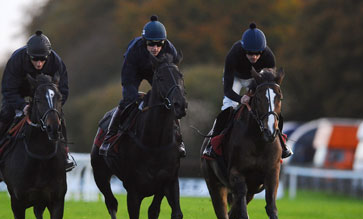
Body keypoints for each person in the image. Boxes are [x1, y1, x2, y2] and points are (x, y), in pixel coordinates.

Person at [0, 30, 75, 172]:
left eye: (43, 59)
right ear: (28, 55)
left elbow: (63, 90)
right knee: (6, 113)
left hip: (44, 93)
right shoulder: (16, 60)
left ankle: (66, 154)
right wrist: (22, 105)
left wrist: (54, 107)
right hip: (19, 90)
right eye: (35, 59)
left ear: (48, 56)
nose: (39, 63)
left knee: (58, 116)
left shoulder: (56, 62)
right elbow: (8, 90)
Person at [99, 15, 186, 157]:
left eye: (159, 44)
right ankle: (110, 136)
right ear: (144, 42)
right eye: (151, 44)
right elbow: (127, 81)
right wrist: (135, 98)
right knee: (127, 101)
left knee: (171, 101)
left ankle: (179, 139)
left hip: (158, 73)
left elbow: (174, 78)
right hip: (135, 72)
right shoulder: (134, 50)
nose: (155, 48)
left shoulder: (170, 50)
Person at [203, 23, 292, 158]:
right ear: (244, 50)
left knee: (271, 106)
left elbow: (270, 85)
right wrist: (240, 99)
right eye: (250, 53)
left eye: (258, 53)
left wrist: (253, 91)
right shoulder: (233, 54)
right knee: (228, 106)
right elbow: (227, 90)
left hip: (256, 80)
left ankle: (282, 143)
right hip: (236, 78)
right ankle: (213, 143)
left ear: (263, 51)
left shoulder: (268, 57)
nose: (254, 57)